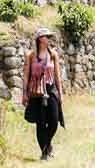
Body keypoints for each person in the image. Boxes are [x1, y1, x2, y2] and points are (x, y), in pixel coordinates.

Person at [22, 27, 65, 160]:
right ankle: (45, 152)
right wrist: (24, 94)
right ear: (40, 39)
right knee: (40, 123)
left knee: (54, 120)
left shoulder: (53, 55)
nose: (49, 39)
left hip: (50, 89)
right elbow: (26, 75)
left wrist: (60, 93)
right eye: (47, 36)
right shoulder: (31, 56)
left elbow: (57, 76)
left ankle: (48, 145)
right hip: (36, 92)